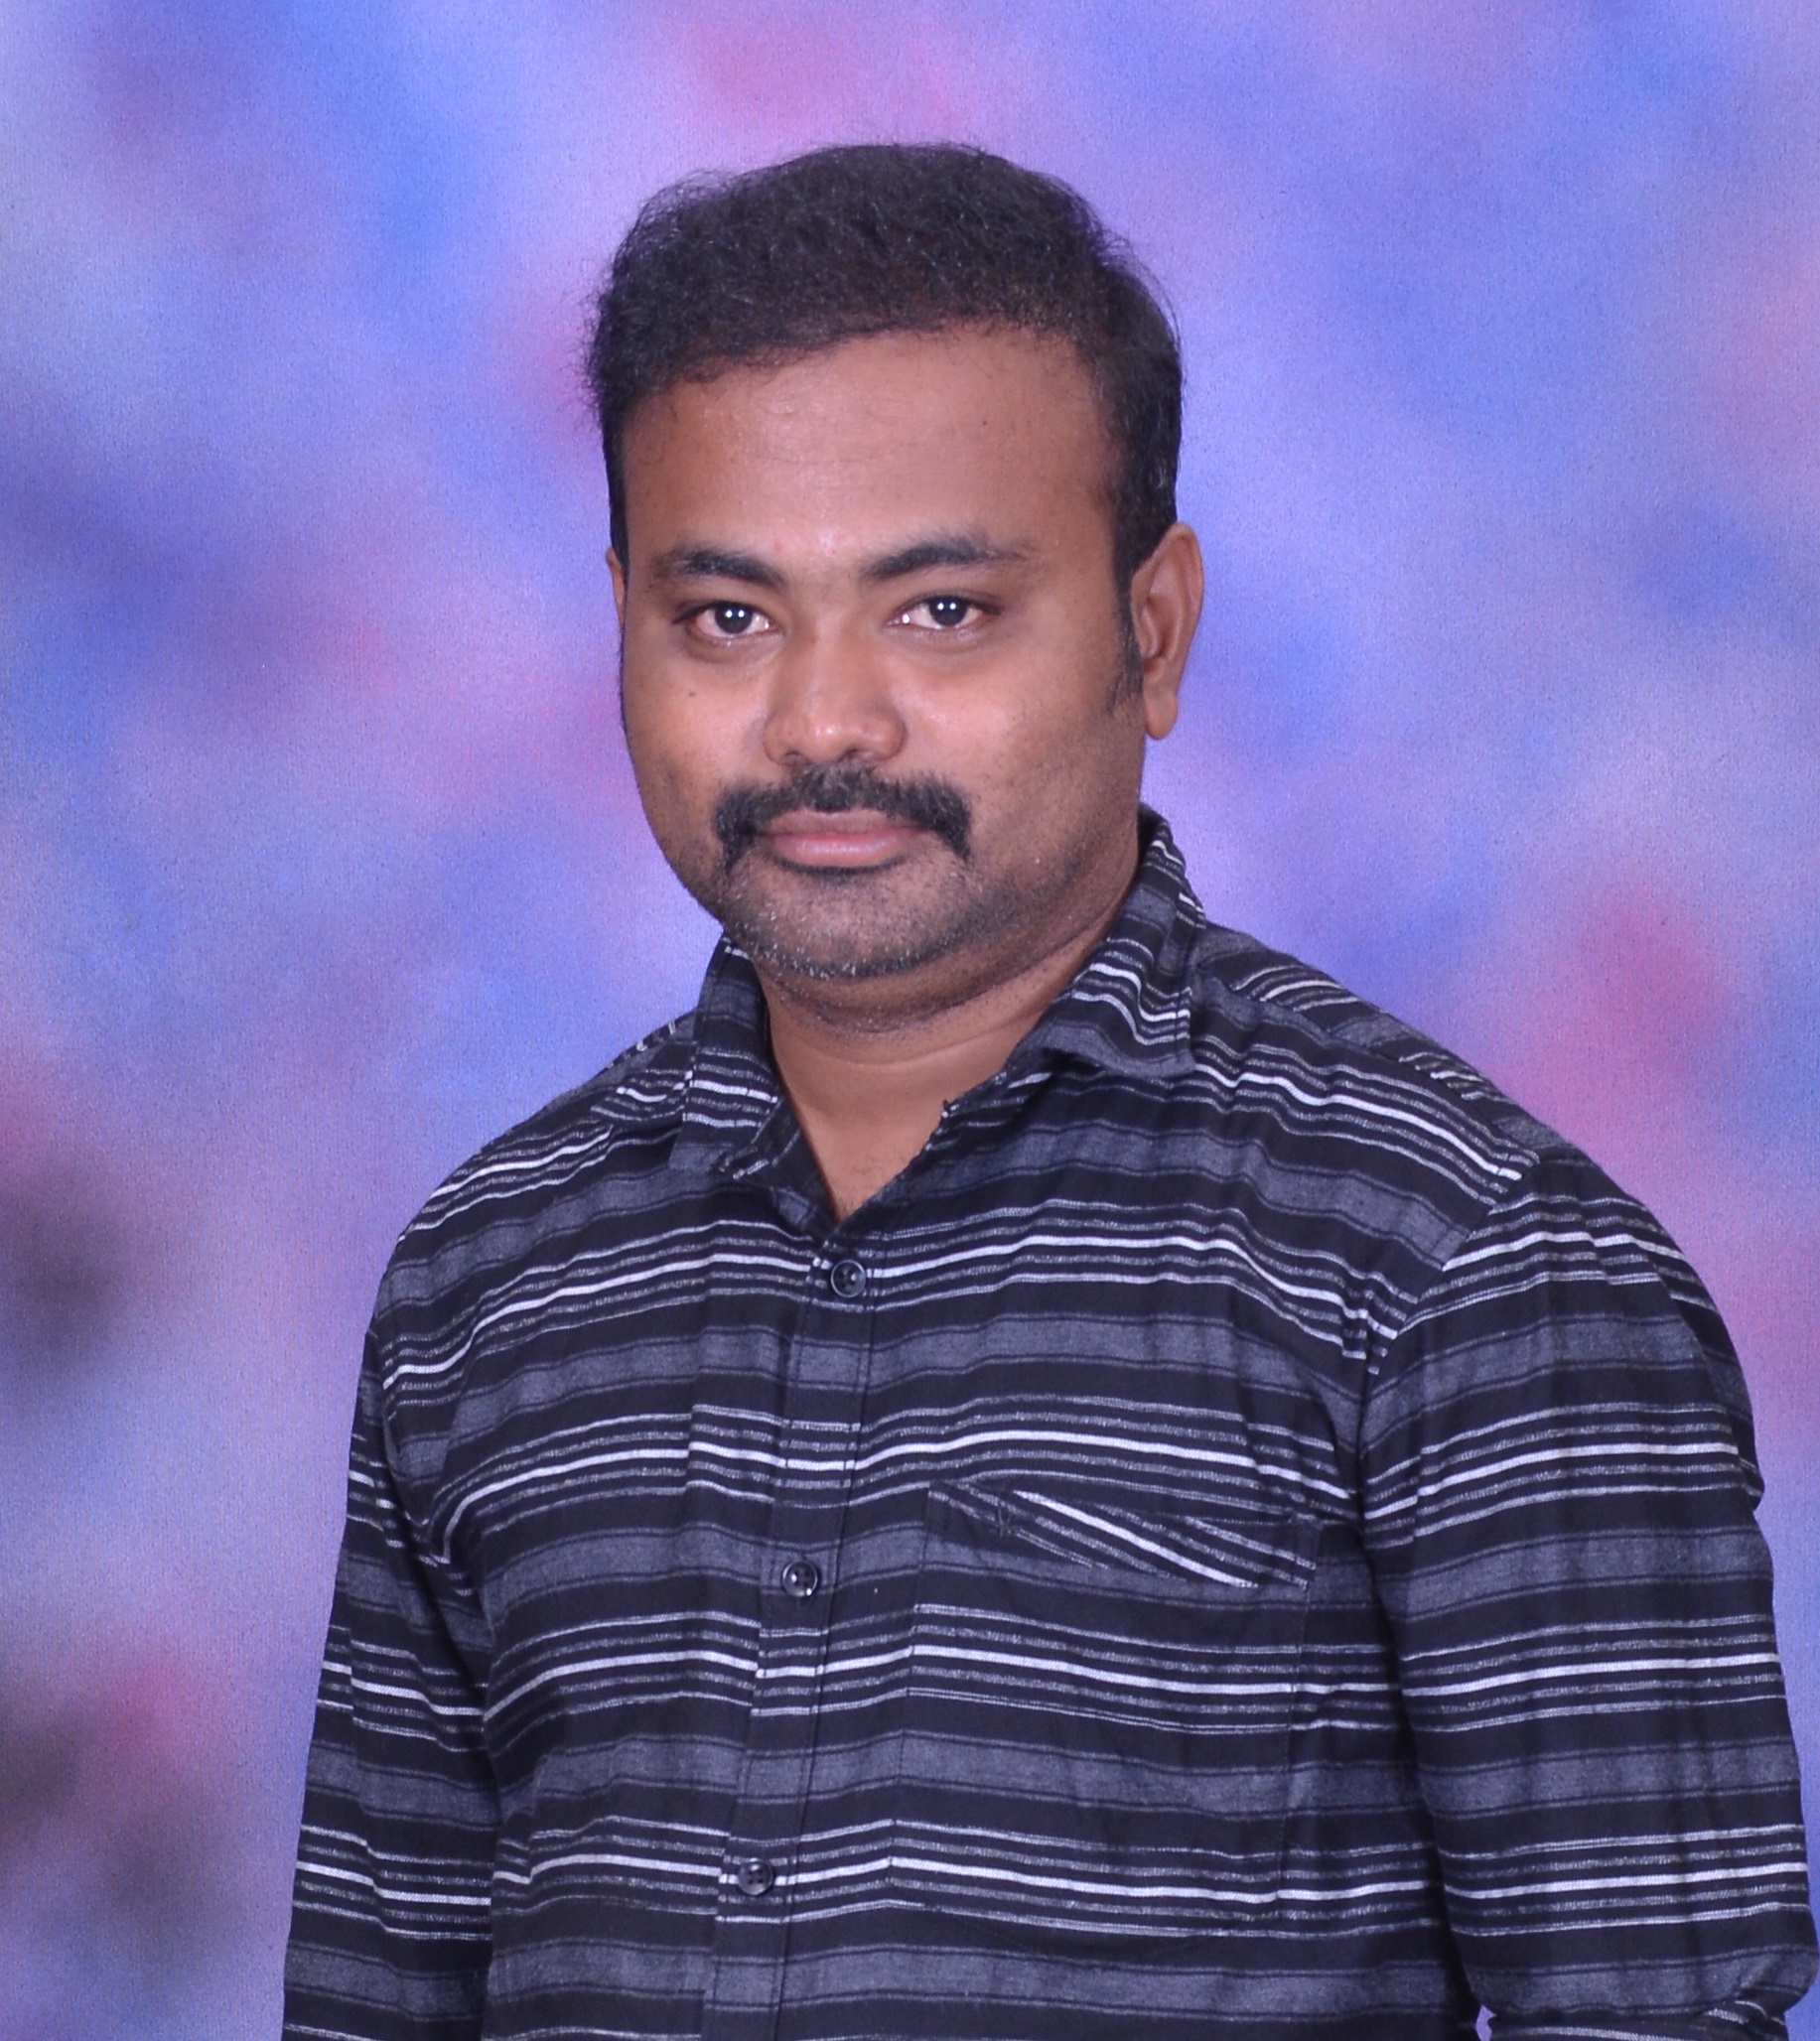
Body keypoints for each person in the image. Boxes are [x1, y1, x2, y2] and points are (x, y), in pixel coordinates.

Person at [282, 144, 1815, 2040]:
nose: (822, 722)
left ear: (1148, 627)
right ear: (622, 619)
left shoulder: (1465, 1270)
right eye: (728, 617)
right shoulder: (489, 1282)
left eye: (940, 610)